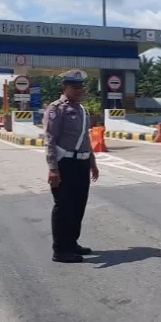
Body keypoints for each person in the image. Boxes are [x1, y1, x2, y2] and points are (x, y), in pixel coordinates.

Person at [45, 69, 100, 263]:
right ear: (64, 87)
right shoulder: (56, 109)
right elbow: (50, 140)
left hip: (82, 163)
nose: (78, 90)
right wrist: (53, 168)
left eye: (80, 87)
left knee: (78, 206)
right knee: (64, 206)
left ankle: (72, 242)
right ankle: (60, 249)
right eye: (74, 87)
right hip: (64, 164)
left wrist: (92, 163)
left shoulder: (82, 110)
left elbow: (85, 138)